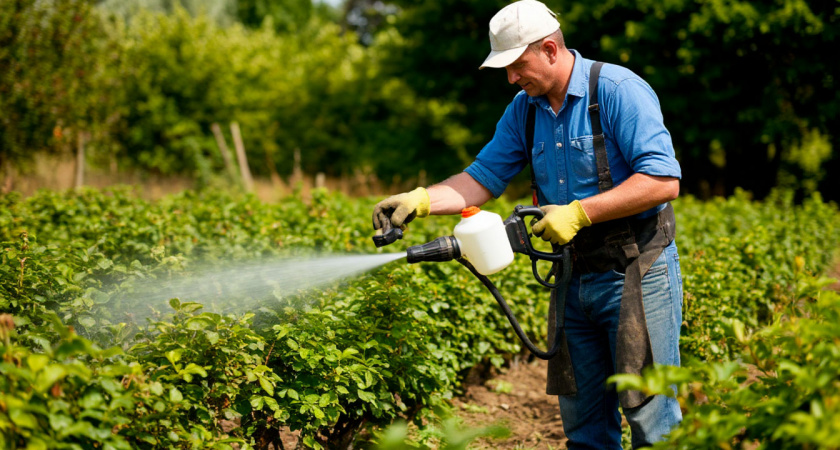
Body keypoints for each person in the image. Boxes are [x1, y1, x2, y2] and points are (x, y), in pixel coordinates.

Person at [372, 0, 683, 448]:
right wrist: (420, 200)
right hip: (572, 275)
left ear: (550, 50)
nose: (512, 78)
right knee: (584, 425)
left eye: (518, 66)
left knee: (650, 417)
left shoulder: (617, 90)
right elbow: (482, 178)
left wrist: (579, 212)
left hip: (636, 268)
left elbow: (662, 180)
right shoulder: (525, 110)